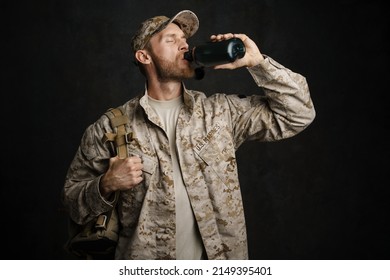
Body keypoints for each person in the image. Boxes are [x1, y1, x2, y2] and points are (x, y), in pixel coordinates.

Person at [62, 9, 315, 260]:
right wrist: (106, 184)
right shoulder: (110, 128)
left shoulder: (220, 113)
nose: (184, 46)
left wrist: (258, 63)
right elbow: (73, 204)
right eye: (171, 40)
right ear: (144, 56)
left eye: (185, 40)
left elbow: (297, 114)